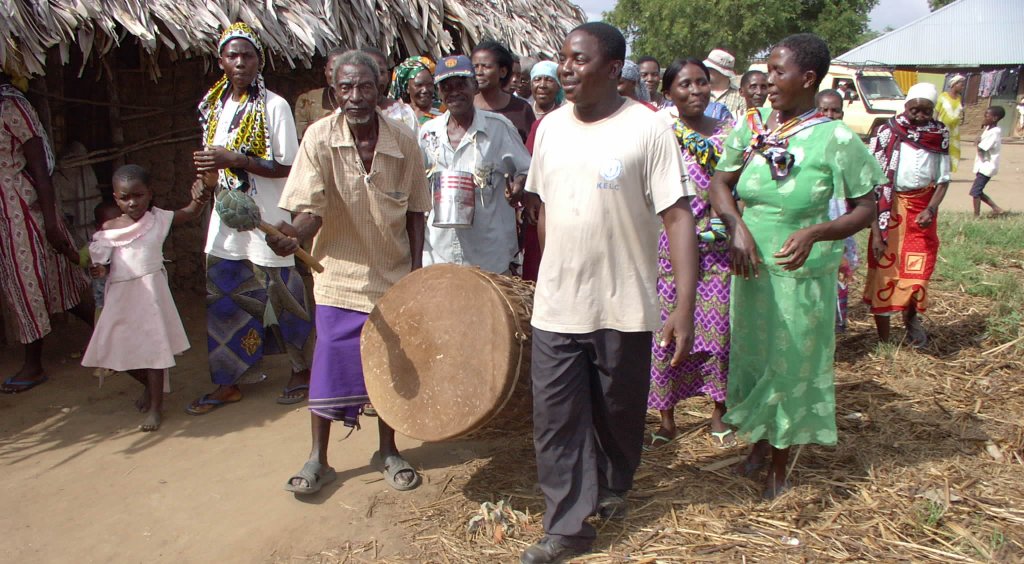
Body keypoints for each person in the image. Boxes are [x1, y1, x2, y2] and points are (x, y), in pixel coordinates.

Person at [521, 22, 698, 563]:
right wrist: (550, 273)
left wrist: (683, 308)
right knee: (555, 420)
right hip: (557, 305)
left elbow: (677, 216)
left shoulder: (647, 130)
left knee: (619, 409)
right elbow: (545, 207)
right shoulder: (549, 127)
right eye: (562, 59)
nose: (565, 69)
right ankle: (569, 527)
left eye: (578, 60)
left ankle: (616, 482)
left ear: (613, 69)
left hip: (625, 304)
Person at [709, 33, 884, 500]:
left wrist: (815, 233)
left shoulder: (836, 138)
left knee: (791, 361)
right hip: (751, 268)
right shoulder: (754, 128)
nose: (768, 81)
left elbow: (867, 208)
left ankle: (780, 461)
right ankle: (760, 442)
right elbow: (720, 184)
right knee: (755, 356)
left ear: (807, 79)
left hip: (801, 273)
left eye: (778, 72)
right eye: (767, 71)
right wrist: (736, 227)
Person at [272, 49, 431, 495]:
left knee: (389, 369)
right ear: (334, 91)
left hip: (391, 275)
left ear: (380, 88)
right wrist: (294, 236)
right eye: (346, 88)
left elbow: (416, 213)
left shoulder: (404, 141)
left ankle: (389, 451)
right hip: (337, 274)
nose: (356, 96)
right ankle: (317, 460)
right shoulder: (319, 138)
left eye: (365, 87)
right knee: (329, 363)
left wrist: (415, 272)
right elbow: (310, 209)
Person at [189, 23, 315, 413]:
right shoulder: (214, 106)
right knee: (225, 297)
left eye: (247, 55)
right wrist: (205, 181)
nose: (239, 62)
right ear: (221, 61)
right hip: (228, 219)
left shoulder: (273, 106)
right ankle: (230, 381)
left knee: (283, 293)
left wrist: (237, 160)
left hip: (268, 218)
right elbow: (214, 163)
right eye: (232, 55)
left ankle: (302, 370)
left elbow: (289, 166)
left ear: (259, 61)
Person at [82, 165, 214, 432]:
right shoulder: (110, 229)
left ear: (150, 194)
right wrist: (98, 269)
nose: (132, 203)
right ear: (116, 199)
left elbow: (189, 213)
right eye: (125, 197)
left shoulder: (158, 219)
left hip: (151, 293)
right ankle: (149, 387)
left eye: (138, 195)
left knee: (154, 350)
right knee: (113, 349)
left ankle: (155, 407)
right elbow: (101, 263)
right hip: (121, 296)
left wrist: (201, 195)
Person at [646, 58, 733, 450]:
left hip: (717, 250)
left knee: (718, 331)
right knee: (666, 334)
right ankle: (666, 420)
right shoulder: (660, 132)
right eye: (685, 84)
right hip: (669, 247)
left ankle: (719, 411)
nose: (696, 90)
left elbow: (737, 186)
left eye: (702, 83)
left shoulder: (730, 134)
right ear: (668, 93)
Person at [0, 71, 94, 394]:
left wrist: (52, 221)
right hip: (5, 210)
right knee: (49, 279)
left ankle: (34, 364)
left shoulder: (11, 105)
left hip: (19, 208)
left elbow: (39, 165)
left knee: (30, 281)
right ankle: (108, 331)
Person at [419, 55, 531, 275]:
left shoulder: (499, 128)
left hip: (488, 255)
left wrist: (518, 185)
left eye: (461, 84)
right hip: (439, 254)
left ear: (474, 86)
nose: (454, 92)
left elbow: (527, 169)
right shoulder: (428, 132)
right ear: (439, 92)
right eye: (446, 87)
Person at [864, 83, 951, 349]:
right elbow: (871, 184)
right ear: (906, 107)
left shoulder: (938, 134)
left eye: (926, 111)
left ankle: (912, 323)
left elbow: (943, 179)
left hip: (922, 213)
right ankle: (885, 340)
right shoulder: (886, 132)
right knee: (885, 273)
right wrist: (877, 231)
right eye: (915, 110)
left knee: (918, 271)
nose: (920, 116)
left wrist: (931, 209)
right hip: (888, 212)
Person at [816, 90, 859, 333]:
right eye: (824, 110)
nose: (830, 115)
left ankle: (832, 334)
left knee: (838, 276)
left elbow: (863, 193)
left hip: (840, 226)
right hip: (811, 224)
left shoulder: (849, 145)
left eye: (836, 110)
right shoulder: (803, 142)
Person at [521, 61, 566, 283]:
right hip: (537, 204)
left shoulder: (566, 118)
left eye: (549, 79)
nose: (542, 85)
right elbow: (528, 164)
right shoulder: (526, 114)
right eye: (537, 79)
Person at [471, 40, 536, 142]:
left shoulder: (521, 109)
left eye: (486, 66)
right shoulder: (465, 107)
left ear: (503, 72)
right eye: (475, 66)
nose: (479, 72)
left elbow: (531, 151)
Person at [361, 47, 420, 133]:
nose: (375, 79)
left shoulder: (404, 113)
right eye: (368, 72)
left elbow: (414, 145)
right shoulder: (345, 115)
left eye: (380, 72)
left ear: (388, 76)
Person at [293, 47, 345, 140]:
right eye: (332, 70)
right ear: (325, 70)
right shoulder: (307, 101)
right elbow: (302, 139)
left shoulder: (358, 102)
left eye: (342, 70)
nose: (336, 75)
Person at [971, 106, 1006, 217]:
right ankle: (997, 209)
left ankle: (976, 216)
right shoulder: (988, 129)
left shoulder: (994, 132)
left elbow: (982, 148)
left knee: (975, 192)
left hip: (987, 166)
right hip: (982, 165)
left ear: (995, 118)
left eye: (986, 116)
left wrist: (977, 142)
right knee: (978, 191)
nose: (984, 118)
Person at [389, 56, 441, 125]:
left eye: (429, 85)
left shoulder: (443, 112)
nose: (425, 90)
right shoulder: (396, 115)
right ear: (407, 88)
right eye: (419, 85)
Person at [703, 49, 745, 120]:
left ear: (723, 72)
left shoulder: (740, 97)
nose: (705, 70)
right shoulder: (700, 93)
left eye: (710, 68)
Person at [936, 75, 966, 172]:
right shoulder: (943, 97)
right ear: (954, 84)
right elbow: (936, 112)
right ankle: (939, 171)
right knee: (941, 150)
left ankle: (947, 172)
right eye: (961, 85)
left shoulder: (959, 98)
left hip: (954, 131)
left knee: (953, 152)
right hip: (943, 129)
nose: (962, 87)